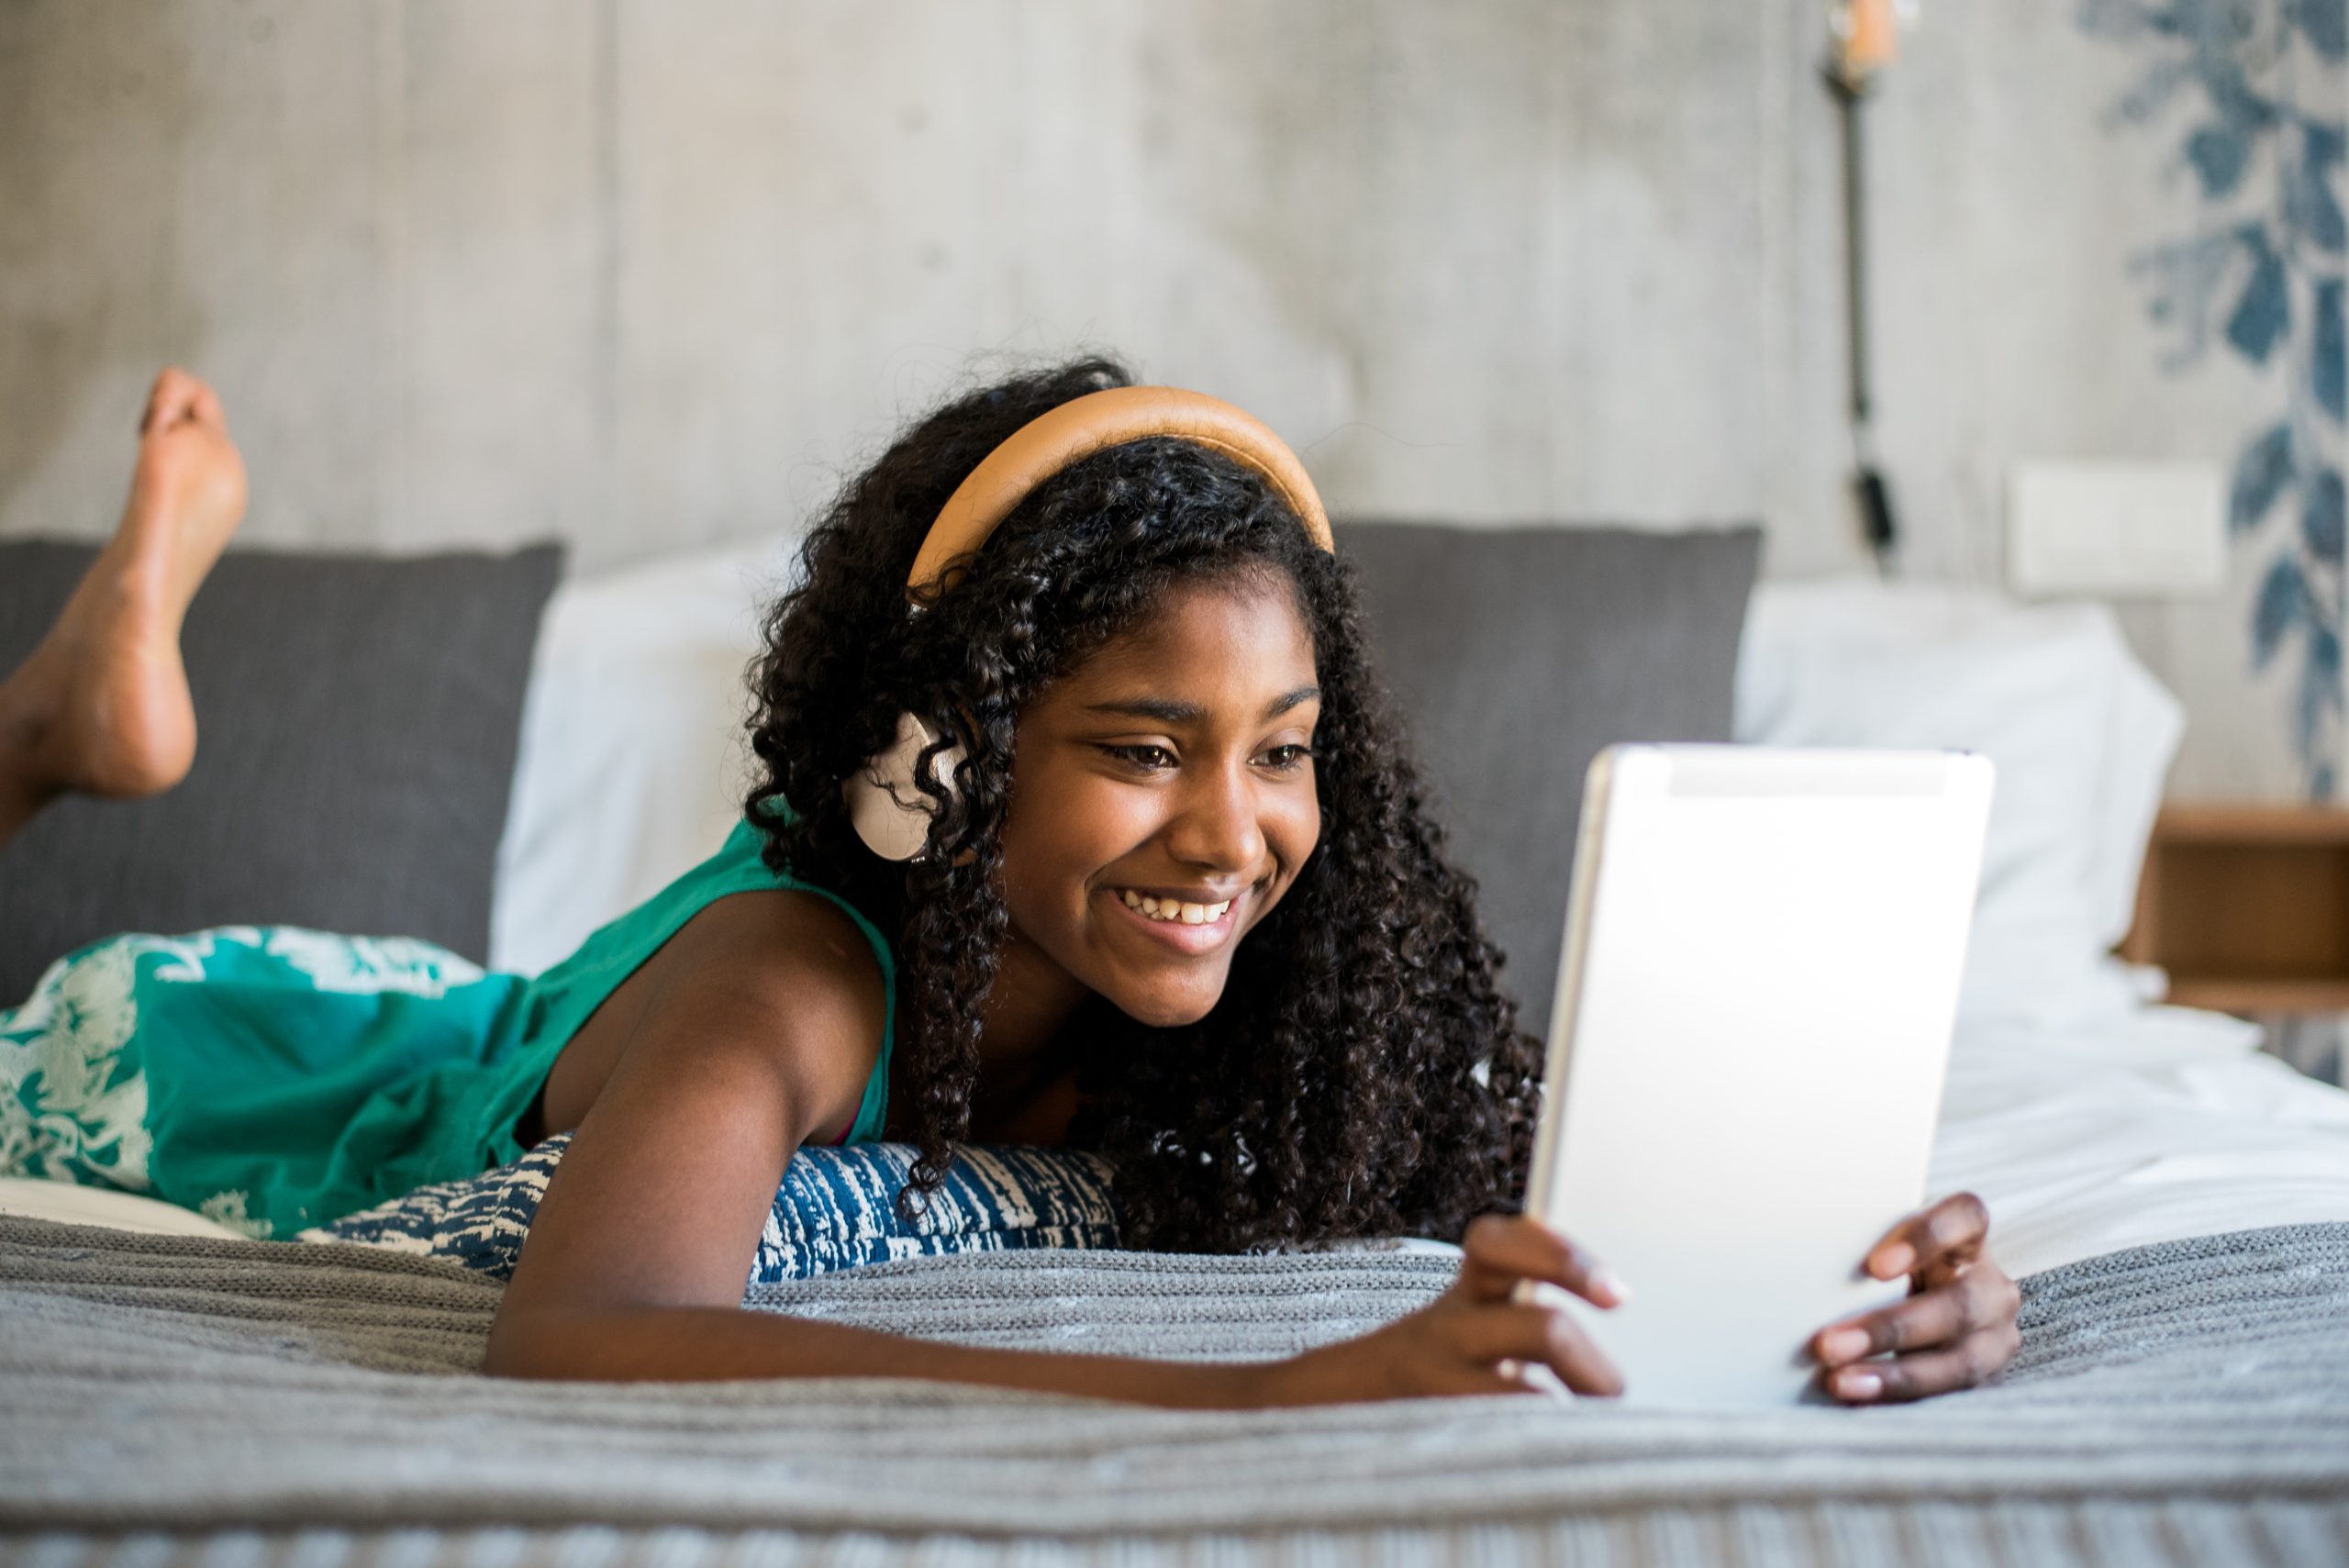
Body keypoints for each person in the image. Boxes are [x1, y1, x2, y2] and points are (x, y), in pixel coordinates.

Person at [0, 362, 2023, 1408]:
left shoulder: (1261, 1003)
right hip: (209, 1049)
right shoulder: (787, 986)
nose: (1232, 834)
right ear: (947, 759)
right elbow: (592, 1326)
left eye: (1283, 749)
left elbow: (1498, 1190)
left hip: (479, 994)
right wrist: (1263, 1395)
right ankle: (62, 727)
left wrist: (1873, 1293)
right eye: (1142, 749)